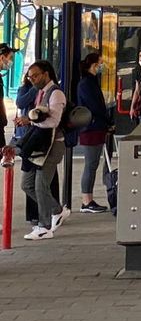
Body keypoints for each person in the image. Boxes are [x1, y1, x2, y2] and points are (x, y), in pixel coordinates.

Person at [17, 60, 67, 240]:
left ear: (46, 74)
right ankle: (56, 210)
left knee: (41, 185)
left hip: (53, 146)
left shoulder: (56, 94)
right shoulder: (40, 93)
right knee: (27, 184)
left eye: (36, 76)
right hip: (39, 146)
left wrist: (30, 120)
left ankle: (44, 227)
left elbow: (53, 122)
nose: (33, 80)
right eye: (30, 77)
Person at [75, 52, 112, 214]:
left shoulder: (90, 81)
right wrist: (107, 120)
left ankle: (88, 199)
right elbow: (95, 106)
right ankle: (86, 200)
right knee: (91, 164)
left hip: (95, 127)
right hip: (92, 128)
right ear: (93, 65)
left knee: (93, 164)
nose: (101, 67)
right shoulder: (86, 84)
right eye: (100, 64)